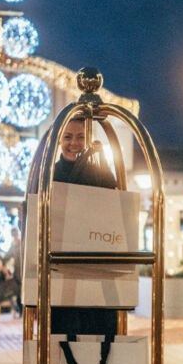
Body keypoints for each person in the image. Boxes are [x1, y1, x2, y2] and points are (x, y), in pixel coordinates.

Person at [44, 117, 120, 336]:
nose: (74, 143)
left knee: (98, 332)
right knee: (63, 333)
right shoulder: (50, 174)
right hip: (59, 271)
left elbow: (113, 214)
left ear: (89, 140)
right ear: (59, 140)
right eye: (67, 136)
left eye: (80, 137)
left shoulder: (102, 174)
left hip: (96, 269)